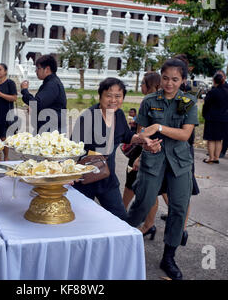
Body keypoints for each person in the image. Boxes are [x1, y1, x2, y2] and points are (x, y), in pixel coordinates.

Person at [127, 58, 199, 280]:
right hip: (153, 159)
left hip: (179, 162)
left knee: (178, 207)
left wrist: (158, 127)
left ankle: (169, 257)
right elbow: (140, 134)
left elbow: (185, 134)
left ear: (183, 80)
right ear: (161, 77)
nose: (169, 83)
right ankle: (123, 242)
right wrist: (144, 143)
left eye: (175, 79)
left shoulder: (188, 102)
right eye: (166, 78)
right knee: (142, 202)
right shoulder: (149, 101)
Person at [72, 77, 161, 221]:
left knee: (119, 218)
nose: (113, 100)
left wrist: (142, 139)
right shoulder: (87, 117)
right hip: (85, 178)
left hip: (107, 176)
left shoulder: (118, 114)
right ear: (100, 96)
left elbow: (126, 135)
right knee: (80, 220)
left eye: (118, 96)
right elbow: (73, 148)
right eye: (109, 95)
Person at [123, 72, 161, 210]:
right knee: (154, 191)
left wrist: (139, 156)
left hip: (143, 148)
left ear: (148, 85)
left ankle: (120, 214)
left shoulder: (147, 102)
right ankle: (150, 224)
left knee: (131, 185)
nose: (141, 86)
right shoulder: (162, 102)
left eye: (142, 84)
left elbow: (141, 133)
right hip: (156, 148)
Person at [20, 54, 67, 134]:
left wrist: (25, 91)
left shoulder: (52, 85)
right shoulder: (49, 83)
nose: (36, 71)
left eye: (38, 68)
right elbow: (43, 104)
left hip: (51, 130)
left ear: (47, 69)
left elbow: (36, 103)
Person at [202, 73, 228, 164]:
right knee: (219, 139)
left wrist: (204, 114)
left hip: (212, 117)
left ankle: (211, 157)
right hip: (223, 118)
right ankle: (216, 157)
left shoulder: (212, 92)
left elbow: (206, 104)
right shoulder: (227, 91)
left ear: (214, 81)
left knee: (210, 139)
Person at [0, 63, 17, 160]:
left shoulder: (10, 83)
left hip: (6, 114)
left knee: (4, 138)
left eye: (0, 69)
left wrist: (0, 94)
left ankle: (6, 158)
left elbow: (14, 98)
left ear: (5, 71)